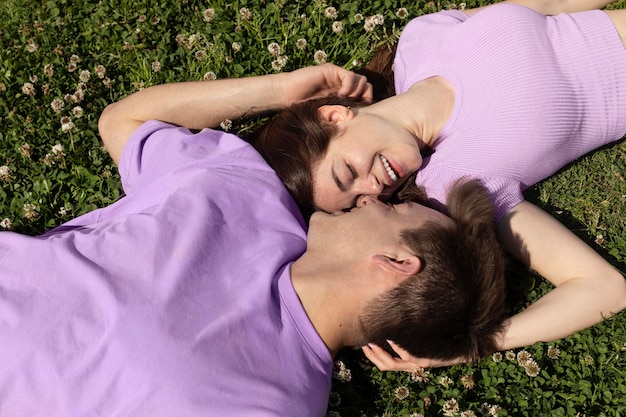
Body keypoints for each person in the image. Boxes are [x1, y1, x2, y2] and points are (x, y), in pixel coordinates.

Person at [0, 66, 507, 415]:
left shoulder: (280, 402)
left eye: (394, 205)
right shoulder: (246, 188)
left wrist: (468, 342)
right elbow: (123, 123)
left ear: (398, 261)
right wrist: (281, 91)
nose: (372, 199)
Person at [251, 0, 626, 368]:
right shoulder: (453, 180)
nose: (374, 189)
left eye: (348, 172)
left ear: (334, 116)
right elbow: (604, 286)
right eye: (358, 200)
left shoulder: (421, 39)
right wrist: (477, 345)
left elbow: (550, 6)